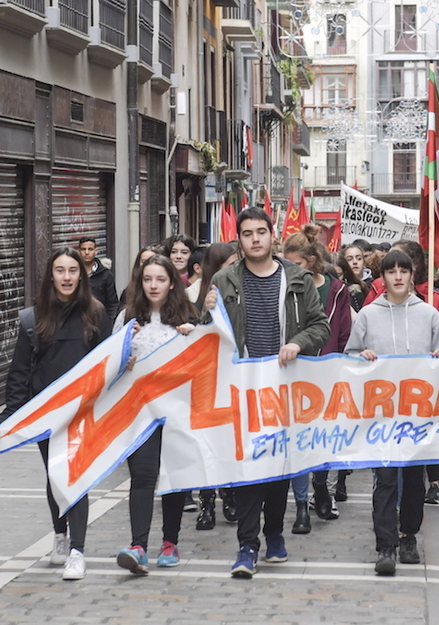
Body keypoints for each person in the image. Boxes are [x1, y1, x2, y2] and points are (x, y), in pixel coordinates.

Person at [206, 207, 330, 579]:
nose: (255, 239)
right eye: (247, 234)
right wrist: (204, 312)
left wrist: (297, 342)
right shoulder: (224, 279)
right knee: (246, 469)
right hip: (241, 387)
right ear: (239, 239)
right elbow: (207, 336)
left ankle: (274, 533)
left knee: (277, 468)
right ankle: (247, 545)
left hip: (283, 386)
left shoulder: (297, 279)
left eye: (261, 232)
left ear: (272, 235)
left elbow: (320, 327)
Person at [0, 247, 113, 580]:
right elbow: (20, 370)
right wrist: (11, 414)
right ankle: (59, 535)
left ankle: (77, 550)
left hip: (82, 412)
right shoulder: (34, 318)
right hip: (45, 412)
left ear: (82, 274)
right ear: (51, 275)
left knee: (74, 476)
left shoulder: (96, 313)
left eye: (72, 270)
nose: (66, 277)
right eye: (60, 271)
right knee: (54, 475)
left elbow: (108, 365)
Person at [345, 249, 439, 575]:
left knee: (414, 481)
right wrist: (361, 357)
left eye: (403, 270)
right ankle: (385, 543)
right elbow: (350, 355)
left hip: (418, 414)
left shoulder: (428, 314)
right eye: (391, 271)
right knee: (386, 479)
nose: (398, 277)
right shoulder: (367, 315)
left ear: (412, 273)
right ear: (383, 276)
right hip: (382, 413)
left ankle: (409, 535)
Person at [113, 255, 198, 575]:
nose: (153, 285)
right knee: (143, 477)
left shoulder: (188, 318)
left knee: (174, 478)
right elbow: (111, 367)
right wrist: (124, 361)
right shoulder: (127, 319)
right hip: (140, 414)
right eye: (147, 279)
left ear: (172, 283)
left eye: (160, 279)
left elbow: (204, 365)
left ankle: (170, 542)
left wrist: (196, 336)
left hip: (176, 413)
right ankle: (138, 545)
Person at [282, 223, 353, 530]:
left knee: (323, 438)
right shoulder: (284, 287)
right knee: (299, 439)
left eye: (295, 264)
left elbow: (344, 334)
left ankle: (321, 485)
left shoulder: (336, 291)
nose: (288, 269)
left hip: (327, 372)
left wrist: (339, 364)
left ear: (310, 262)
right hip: (294, 373)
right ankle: (301, 503)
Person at [192, 241, 241, 529]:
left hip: (234, 379)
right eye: (229, 263)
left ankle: (230, 492)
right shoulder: (190, 296)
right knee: (207, 444)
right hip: (205, 381)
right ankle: (206, 502)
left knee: (229, 441)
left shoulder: (242, 291)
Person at [77, 236, 119, 321]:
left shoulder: (106, 275)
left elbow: (112, 304)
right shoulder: (74, 273)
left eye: (90, 249)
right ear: (79, 252)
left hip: (100, 322)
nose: (87, 252)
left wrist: (109, 323)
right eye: (83, 249)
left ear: (96, 251)